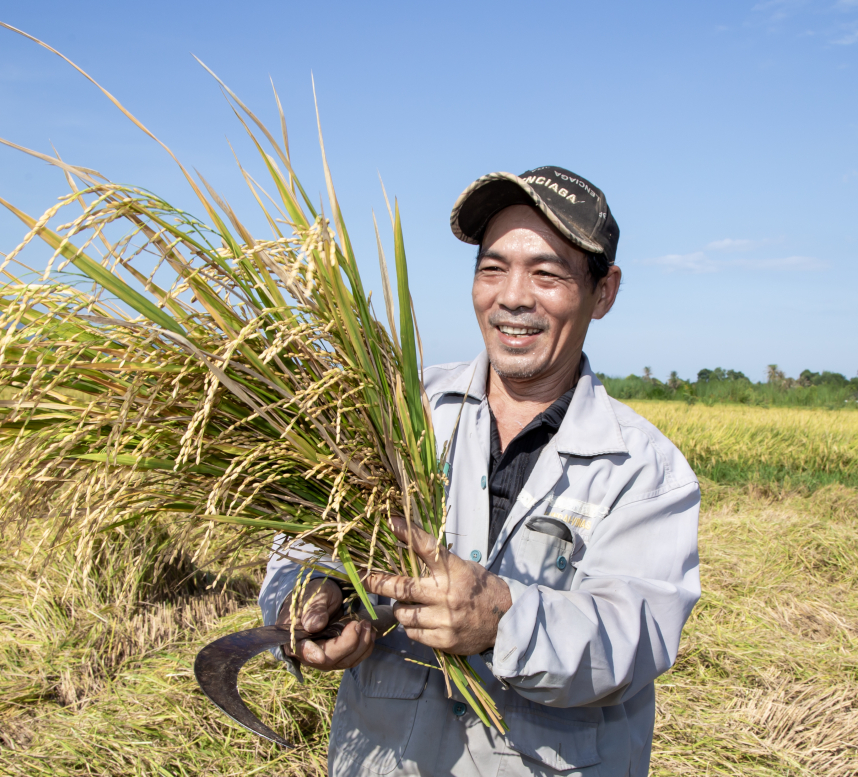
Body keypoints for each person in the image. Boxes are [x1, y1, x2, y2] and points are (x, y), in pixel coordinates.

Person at [259, 166, 701, 777]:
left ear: (604, 292)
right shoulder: (396, 411)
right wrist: (312, 598)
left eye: (547, 273)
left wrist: (504, 619)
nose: (513, 296)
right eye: (493, 269)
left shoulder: (645, 467)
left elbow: (633, 637)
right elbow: (304, 542)